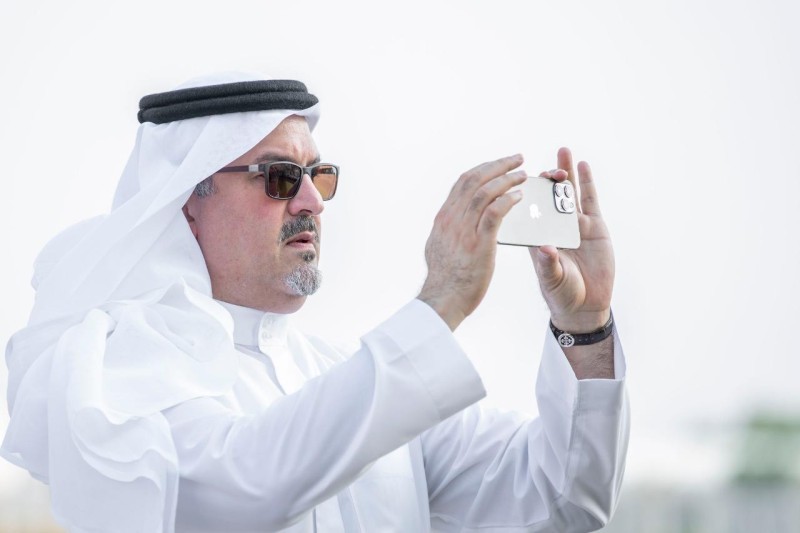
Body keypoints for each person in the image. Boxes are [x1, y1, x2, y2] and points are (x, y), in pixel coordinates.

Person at [2, 72, 628, 532]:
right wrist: (441, 301)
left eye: (317, 176)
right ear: (187, 202)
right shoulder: (122, 367)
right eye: (279, 178)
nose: (312, 203)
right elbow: (244, 490)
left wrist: (585, 326)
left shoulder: (344, 375)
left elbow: (562, 500)